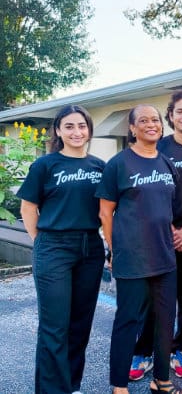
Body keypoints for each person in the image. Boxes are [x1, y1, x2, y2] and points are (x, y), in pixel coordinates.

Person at [96, 105, 182, 394]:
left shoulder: (166, 163)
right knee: (128, 321)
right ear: (132, 129)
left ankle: (161, 381)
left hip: (165, 258)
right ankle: (119, 386)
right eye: (144, 121)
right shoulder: (119, 164)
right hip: (132, 257)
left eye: (156, 120)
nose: (152, 124)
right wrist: (113, 250)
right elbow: (105, 213)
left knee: (165, 321)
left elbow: (167, 209)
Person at [18, 105, 105, 394]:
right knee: (55, 326)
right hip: (54, 246)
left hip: (90, 247)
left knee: (80, 324)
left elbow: (108, 210)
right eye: (69, 126)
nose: (76, 132)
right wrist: (40, 241)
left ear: (89, 129)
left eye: (81, 126)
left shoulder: (99, 167)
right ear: (58, 130)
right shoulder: (45, 165)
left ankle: (71, 385)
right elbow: (28, 207)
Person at [130, 90, 182, 381]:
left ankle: (181, 349)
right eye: (180, 111)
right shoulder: (158, 149)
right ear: (171, 116)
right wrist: (171, 231)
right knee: (152, 298)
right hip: (158, 233)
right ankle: (144, 352)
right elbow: (146, 193)